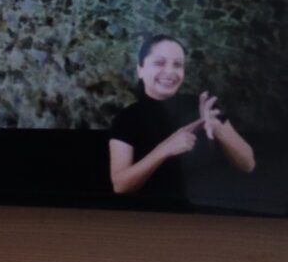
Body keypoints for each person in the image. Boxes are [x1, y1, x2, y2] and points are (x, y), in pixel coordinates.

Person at [107, 33, 256, 196]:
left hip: (208, 206)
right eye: (159, 63)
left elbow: (248, 164)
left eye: (177, 64)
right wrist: (165, 149)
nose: (170, 71)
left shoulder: (202, 106)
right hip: (154, 208)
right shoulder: (126, 118)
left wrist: (218, 130)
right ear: (140, 70)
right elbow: (120, 185)